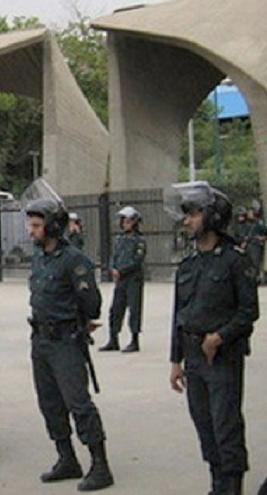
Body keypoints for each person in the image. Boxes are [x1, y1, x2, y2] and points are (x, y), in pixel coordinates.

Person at [166, 181, 259, 495]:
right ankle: (217, 483)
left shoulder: (235, 260)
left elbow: (249, 311)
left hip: (222, 358)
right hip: (193, 358)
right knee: (205, 426)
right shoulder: (188, 265)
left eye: (193, 214)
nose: (187, 221)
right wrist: (174, 360)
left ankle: (232, 485)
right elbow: (179, 316)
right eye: (186, 215)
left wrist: (219, 337)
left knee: (225, 426)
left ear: (213, 216)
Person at [24, 182, 113, 491]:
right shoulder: (39, 258)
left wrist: (81, 322)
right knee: (49, 402)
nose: (31, 230)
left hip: (65, 341)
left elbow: (93, 304)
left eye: (36, 225)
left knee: (78, 402)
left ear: (51, 226)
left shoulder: (73, 259)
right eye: (30, 225)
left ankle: (100, 465)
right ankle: (66, 458)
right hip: (40, 339)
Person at [100, 207, 146, 353]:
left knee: (134, 309)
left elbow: (137, 260)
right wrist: (112, 268)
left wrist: (121, 270)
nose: (125, 224)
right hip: (120, 280)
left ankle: (134, 340)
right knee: (115, 309)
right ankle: (113, 339)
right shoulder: (119, 240)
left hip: (133, 279)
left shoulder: (139, 241)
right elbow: (114, 256)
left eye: (128, 221)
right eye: (123, 221)